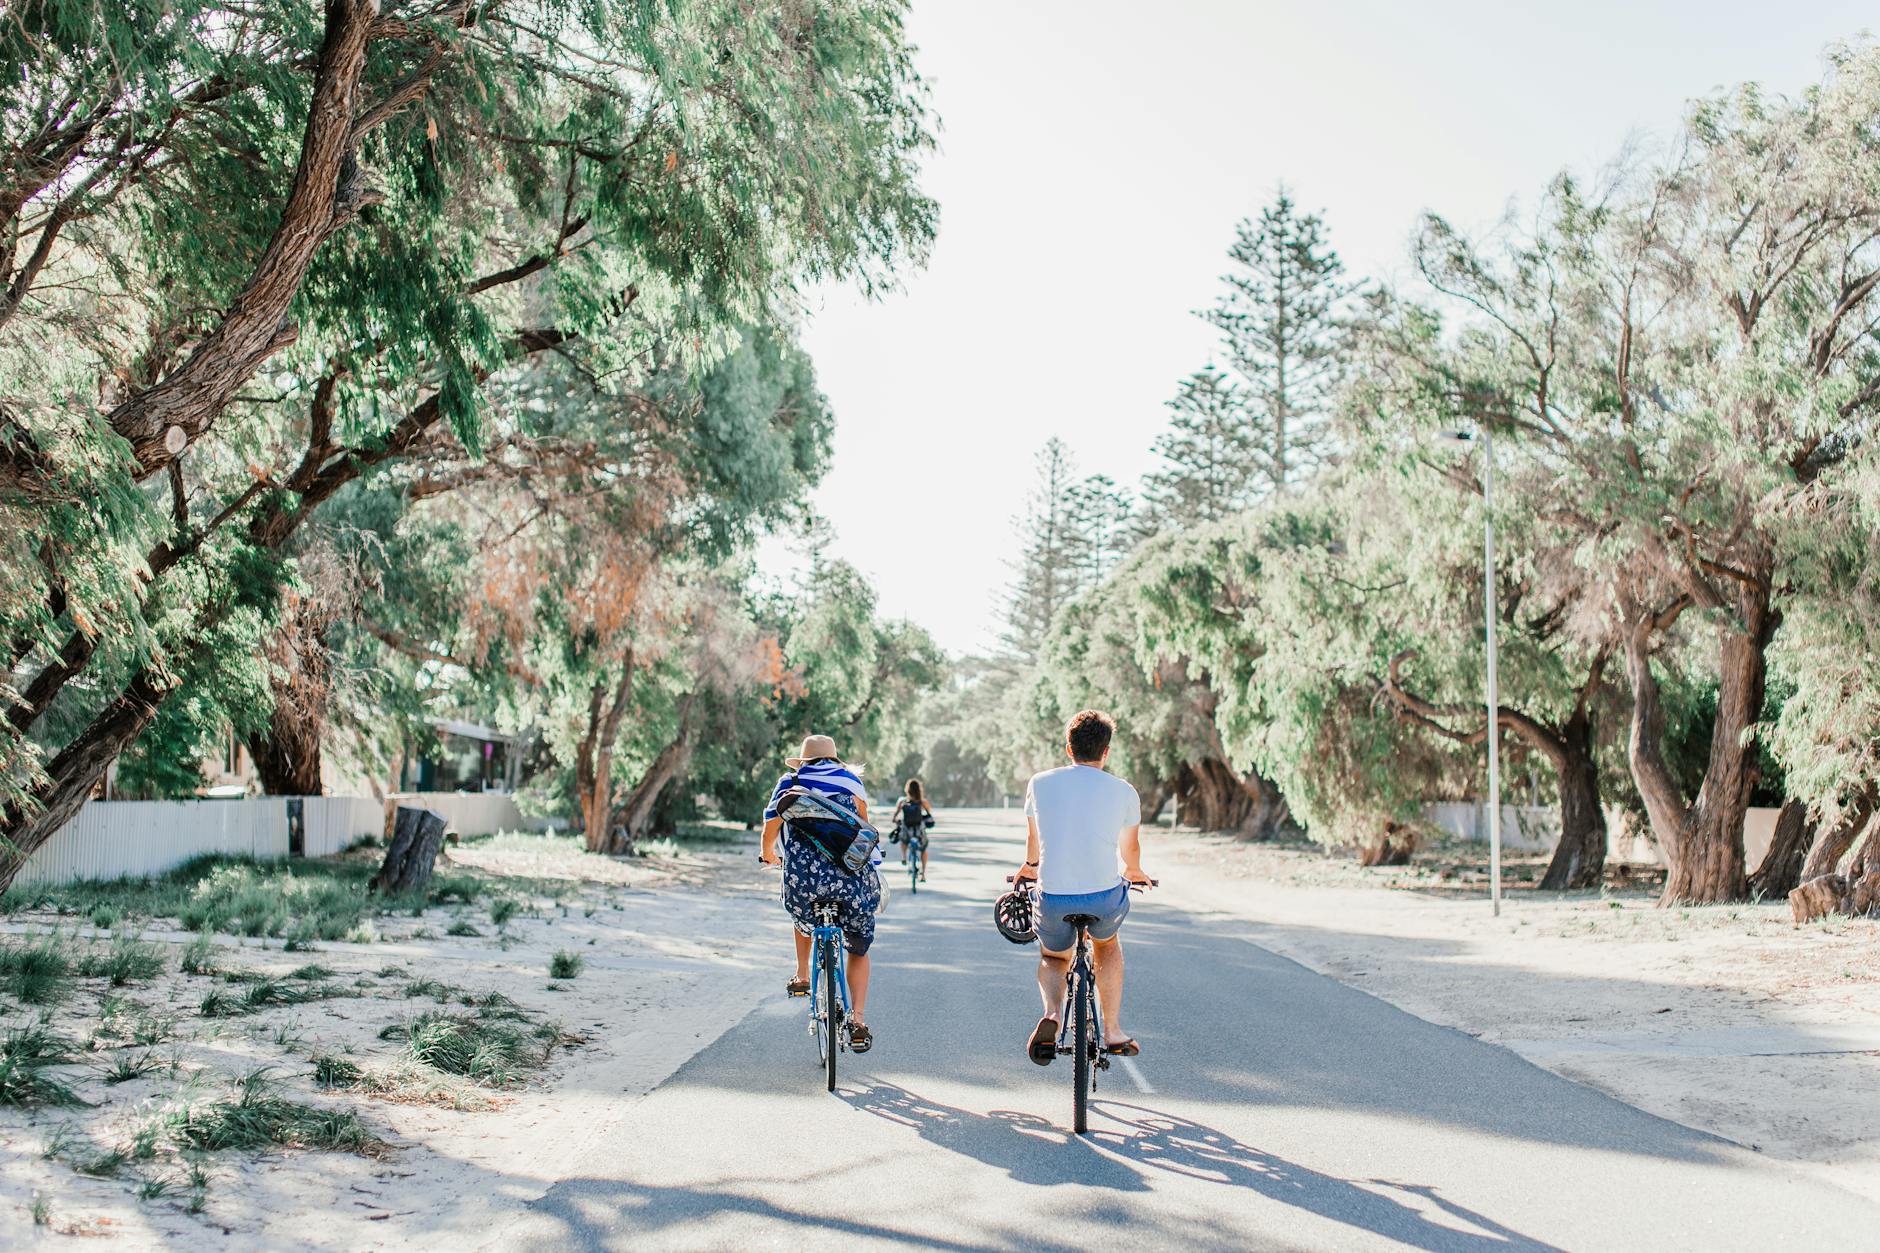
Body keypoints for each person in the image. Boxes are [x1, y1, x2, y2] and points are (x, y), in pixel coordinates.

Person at [1012, 708, 1152, 1063]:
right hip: (1104, 898)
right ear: (1106, 751)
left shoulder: (1040, 783)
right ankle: (1114, 1030)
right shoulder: (1123, 790)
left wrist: (1029, 869)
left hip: (1055, 896)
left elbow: (1034, 842)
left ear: (1068, 748)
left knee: (1052, 956)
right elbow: (1130, 849)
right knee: (1107, 946)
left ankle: (1053, 1016)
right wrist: (1134, 871)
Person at [758, 733, 882, 1053]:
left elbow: (771, 824)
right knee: (858, 944)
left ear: (804, 759)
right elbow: (863, 830)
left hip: (803, 879)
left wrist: (768, 854)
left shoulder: (790, 782)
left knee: (802, 918)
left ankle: (802, 974)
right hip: (850, 880)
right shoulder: (851, 782)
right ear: (834, 758)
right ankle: (858, 1019)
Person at [892, 778, 934, 878]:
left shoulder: (902, 801)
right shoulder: (922, 802)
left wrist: (895, 820)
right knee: (923, 848)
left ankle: (904, 857)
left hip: (906, 828)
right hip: (919, 830)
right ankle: (923, 874)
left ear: (907, 789)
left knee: (903, 840)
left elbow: (895, 815)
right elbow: (929, 814)